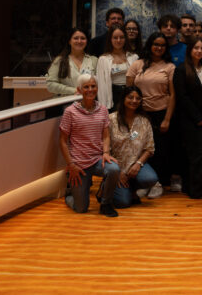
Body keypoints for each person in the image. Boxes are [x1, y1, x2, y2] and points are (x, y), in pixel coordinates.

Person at [59, 74, 120, 216]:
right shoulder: (70, 112)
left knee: (114, 169)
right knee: (81, 208)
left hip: (97, 159)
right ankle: (70, 193)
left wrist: (106, 153)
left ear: (97, 88)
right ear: (79, 90)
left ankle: (105, 203)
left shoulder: (103, 109)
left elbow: (105, 135)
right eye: (86, 87)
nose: (90, 89)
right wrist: (71, 165)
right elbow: (62, 140)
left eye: (93, 86)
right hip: (78, 164)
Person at [126, 32, 176, 198]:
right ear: (150, 45)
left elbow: (172, 95)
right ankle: (143, 183)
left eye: (162, 45)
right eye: (156, 44)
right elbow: (129, 91)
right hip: (139, 114)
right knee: (139, 149)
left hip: (160, 113)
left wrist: (167, 119)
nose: (159, 48)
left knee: (160, 151)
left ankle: (157, 184)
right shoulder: (137, 64)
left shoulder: (169, 67)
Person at [173, 38, 202, 199]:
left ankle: (191, 187)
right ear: (190, 50)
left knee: (201, 154)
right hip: (189, 119)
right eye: (196, 48)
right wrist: (198, 118)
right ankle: (197, 191)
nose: (199, 51)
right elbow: (183, 97)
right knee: (195, 155)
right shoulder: (182, 69)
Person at [108, 85, 158, 208]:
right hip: (115, 166)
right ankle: (109, 184)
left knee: (150, 178)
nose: (134, 101)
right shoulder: (111, 119)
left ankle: (131, 187)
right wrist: (117, 172)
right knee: (122, 203)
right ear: (123, 99)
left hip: (135, 164)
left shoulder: (144, 121)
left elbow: (149, 148)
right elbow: (104, 148)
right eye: (130, 97)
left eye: (138, 98)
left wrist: (138, 164)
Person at [46, 28, 98, 96]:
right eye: (76, 38)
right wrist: (74, 91)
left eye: (83, 38)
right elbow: (50, 85)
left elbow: (99, 84)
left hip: (88, 103)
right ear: (69, 41)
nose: (79, 41)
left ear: (86, 41)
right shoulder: (59, 61)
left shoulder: (94, 60)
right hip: (66, 104)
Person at [95, 26, 136, 110]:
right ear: (110, 39)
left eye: (121, 37)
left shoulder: (133, 57)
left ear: (125, 39)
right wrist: (103, 106)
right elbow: (101, 85)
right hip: (113, 94)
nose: (118, 40)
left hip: (130, 93)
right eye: (115, 38)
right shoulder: (103, 59)